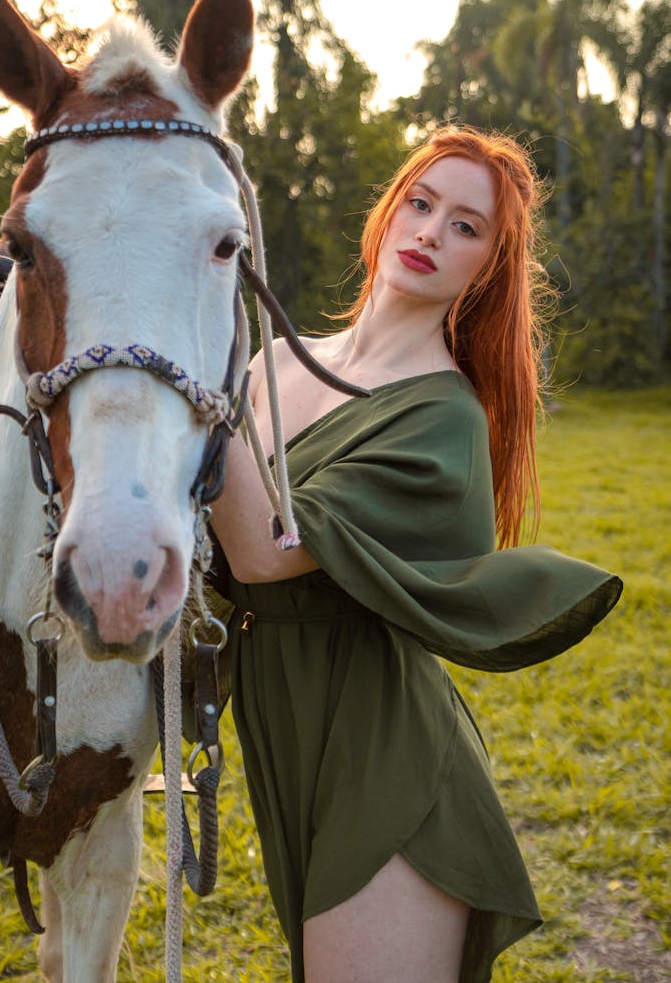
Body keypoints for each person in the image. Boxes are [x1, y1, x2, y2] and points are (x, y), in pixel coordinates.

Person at [209, 125, 622, 983]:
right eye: (421, 203)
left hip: (386, 767)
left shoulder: (444, 417)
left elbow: (259, 551)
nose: (433, 232)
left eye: (466, 227)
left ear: (488, 268)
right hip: (288, 744)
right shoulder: (270, 363)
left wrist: (173, 377)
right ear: (388, 214)